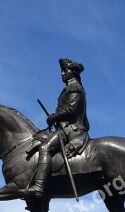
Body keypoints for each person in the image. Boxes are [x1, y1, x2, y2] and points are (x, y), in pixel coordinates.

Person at [23, 58, 90, 198]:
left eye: (66, 71)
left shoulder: (74, 87)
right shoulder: (70, 88)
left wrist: (54, 117)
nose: (62, 74)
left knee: (45, 148)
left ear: (73, 73)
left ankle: (39, 186)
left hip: (71, 131)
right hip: (66, 128)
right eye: (62, 71)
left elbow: (71, 110)